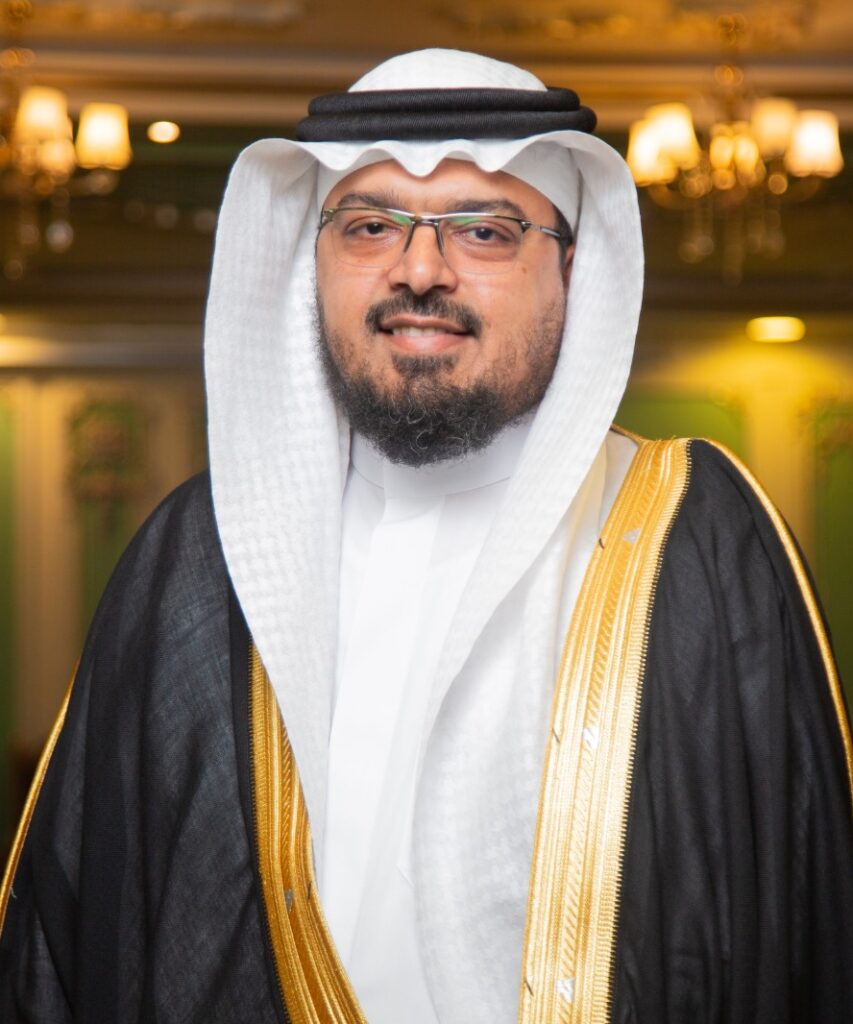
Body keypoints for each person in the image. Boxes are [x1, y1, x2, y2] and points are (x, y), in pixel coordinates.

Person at [1, 48, 851, 1024]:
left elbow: (799, 921)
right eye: (369, 226)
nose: (418, 271)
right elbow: (76, 939)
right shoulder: (198, 556)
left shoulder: (697, 538)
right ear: (311, 260)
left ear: (571, 271)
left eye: (483, 230)